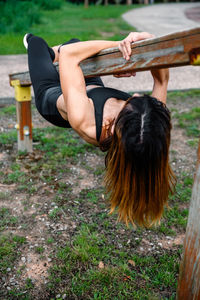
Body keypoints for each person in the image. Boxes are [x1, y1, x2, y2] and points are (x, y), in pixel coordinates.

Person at [24, 32, 176, 227]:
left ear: (119, 123)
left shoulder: (86, 122)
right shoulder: (150, 125)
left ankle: (50, 54)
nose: (137, 93)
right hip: (89, 86)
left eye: (133, 100)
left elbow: (71, 55)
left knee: (37, 43)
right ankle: (54, 56)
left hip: (52, 94)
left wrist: (118, 45)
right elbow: (161, 80)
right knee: (75, 41)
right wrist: (141, 40)